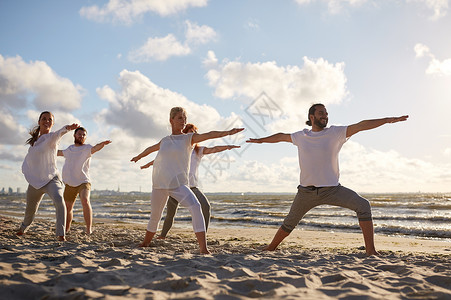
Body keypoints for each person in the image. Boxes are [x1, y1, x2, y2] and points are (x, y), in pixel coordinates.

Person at [247, 103, 408, 256]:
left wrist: (387, 120)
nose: (325, 116)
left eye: (326, 113)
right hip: (306, 192)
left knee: (363, 205)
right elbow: (281, 136)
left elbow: (360, 126)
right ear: (312, 117)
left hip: (333, 190)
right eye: (321, 113)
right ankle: (271, 247)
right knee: (289, 222)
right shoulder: (301, 136)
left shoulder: (335, 133)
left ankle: (370, 251)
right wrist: (261, 140)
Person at [131, 107, 244, 254]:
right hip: (159, 183)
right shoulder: (165, 140)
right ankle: (145, 243)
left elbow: (209, 135)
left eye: (185, 118)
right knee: (155, 215)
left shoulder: (188, 139)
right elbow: (151, 149)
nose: (183, 121)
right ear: (171, 120)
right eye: (180, 118)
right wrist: (139, 157)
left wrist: (228, 133)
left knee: (196, 206)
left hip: (177, 184)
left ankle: (203, 248)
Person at [140, 123, 240, 239]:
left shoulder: (198, 150)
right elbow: (161, 159)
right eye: (192, 132)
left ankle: (203, 235)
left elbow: (214, 149)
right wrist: (147, 164)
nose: (195, 135)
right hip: (176, 184)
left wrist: (227, 147)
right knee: (170, 214)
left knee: (205, 206)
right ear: (186, 133)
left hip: (192, 186)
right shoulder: (179, 149)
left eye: (196, 133)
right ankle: (162, 235)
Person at [17, 111, 79, 241]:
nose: (47, 121)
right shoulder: (35, 141)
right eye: (44, 119)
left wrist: (67, 128)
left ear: (52, 123)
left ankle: (60, 234)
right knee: (30, 211)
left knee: (59, 200)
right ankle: (23, 229)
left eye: (50, 119)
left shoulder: (52, 137)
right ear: (39, 122)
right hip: (35, 182)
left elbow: (59, 133)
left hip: (51, 179)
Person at [57, 127, 111, 234]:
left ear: (85, 137)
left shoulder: (87, 148)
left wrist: (102, 144)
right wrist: (45, 148)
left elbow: (95, 148)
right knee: (68, 207)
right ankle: (67, 229)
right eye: (79, 134)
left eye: (83, 135)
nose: (81, 136)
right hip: (70, 182)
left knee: (85, 201)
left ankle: (88, 229)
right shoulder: (69, 149)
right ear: (74, 135)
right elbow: (57, 152)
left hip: (84, 181)